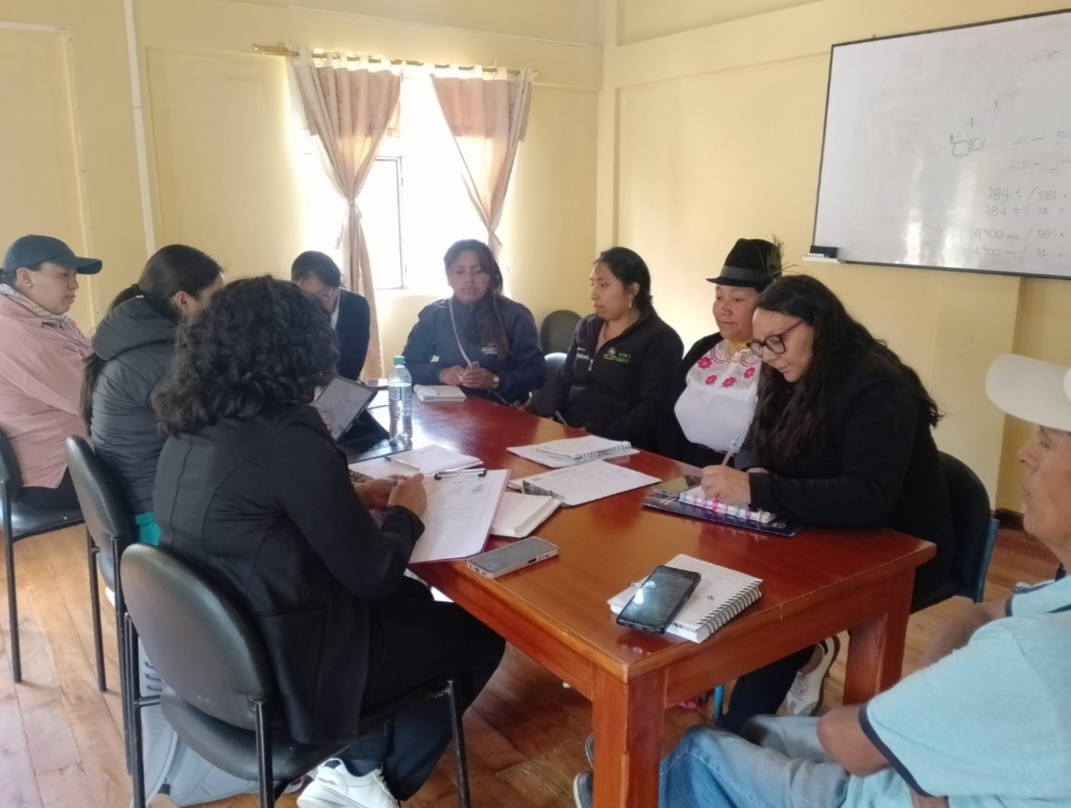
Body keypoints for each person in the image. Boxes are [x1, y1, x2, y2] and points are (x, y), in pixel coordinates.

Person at [574, 351, 1071, 808]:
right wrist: (924, 726)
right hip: (926, 766)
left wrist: (919, 742)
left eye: (1047, 442)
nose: (1025, 452)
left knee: (705, 747)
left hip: (877, 780)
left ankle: (633, 792)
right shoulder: (1053, 604)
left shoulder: (1028, 653)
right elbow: (981, 615)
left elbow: (848, 742)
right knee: (761, 730)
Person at [153, 276, 504, 808]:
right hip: (291, 676)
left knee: (412, 607)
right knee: (477, 632)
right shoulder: (287, 431)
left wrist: (348, 497)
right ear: (297, 349)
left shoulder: (193, 421)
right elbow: (373, 576)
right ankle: (364, 778)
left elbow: (255, 513)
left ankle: (359, 760)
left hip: (223, 657)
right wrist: (406, 513)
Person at [701, 274, 956, 732]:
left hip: (897, 547)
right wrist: (754, 471)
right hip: (818, 525)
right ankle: (744, 720)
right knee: (745, 585)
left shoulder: (876, 386)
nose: (768, 355)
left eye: (776, 341)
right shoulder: (784, 364)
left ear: (817, 324)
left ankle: (735, 735)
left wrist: (759, 490)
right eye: (760, 344)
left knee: (781, 613)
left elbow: (867, 498)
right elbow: (755, 440)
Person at [82, 244, 223, 545]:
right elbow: (217, 431)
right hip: (156, 522)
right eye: (216, 300)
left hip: (137, 503)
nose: (222, 312)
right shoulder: (161, 359)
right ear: (183, 301)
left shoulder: (132, 338)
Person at [659, 237, 783, 466]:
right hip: (686, 466)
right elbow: (667, 417)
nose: (722, 309)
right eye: (718, 297)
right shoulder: (704, 347)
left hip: (741, 474)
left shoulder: (779, 359)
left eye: (736, 299)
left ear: (767, 304)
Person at [0, 234, 101, 510]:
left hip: (65, 455)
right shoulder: (22, 335)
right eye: (63, 275)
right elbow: (95, 401)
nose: (74, 284)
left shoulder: (46, 318)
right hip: (56, 471)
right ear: (25, 277)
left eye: (74, 275)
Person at [554, 247, 683, 452]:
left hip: (624, 447)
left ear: (632, 290)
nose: (593, 295)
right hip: (570, 437)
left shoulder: (661, 339)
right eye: (593, 284)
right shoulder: (585, 327)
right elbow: (565, 379)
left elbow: (653, 407)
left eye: (604, 285)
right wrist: (553, 419)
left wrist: (598, 432)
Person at [402, 239, 545, 405]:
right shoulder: (434, 315)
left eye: (478, 271)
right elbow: (406, 367)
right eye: (459, 271)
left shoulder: (515, 315)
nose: (469, 279)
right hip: (448, 410)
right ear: (449, 277)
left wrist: (496, 380)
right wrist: (440, 374)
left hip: (501, 410)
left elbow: (537, 373)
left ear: (490, 276)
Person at [292, 250, 371, 380]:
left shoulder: (356, 306)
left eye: (322, 295)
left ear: (336, 286)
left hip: (342, 384)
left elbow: (353, 363)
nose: (314, 303)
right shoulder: (293, 307)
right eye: (307, 296)